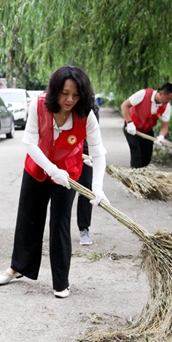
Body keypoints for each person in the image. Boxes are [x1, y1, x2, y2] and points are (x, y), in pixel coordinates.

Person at [0, 66, 108, 298]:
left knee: (60, 223)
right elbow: (29, 142)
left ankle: (61, 281)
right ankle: (17, 267)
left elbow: (98, 153)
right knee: (28, 219)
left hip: (68, 173)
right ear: (55, 91)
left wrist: (97, 187)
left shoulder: (86, 115)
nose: (70, 100)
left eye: (75, 95)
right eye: (65, 93)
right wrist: (52, 170)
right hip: (37, 168)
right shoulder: (38, 105)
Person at [121, 83, 172, 168]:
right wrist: (129, 123)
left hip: (147, 130)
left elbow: (164, 126)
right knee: (136, 153)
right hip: (132, 128)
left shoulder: (166, 106)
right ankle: (134, 174)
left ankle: (142, 172)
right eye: (168, 98)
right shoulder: (143, 94)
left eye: (171, 99)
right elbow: (124, 105)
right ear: (161, 94)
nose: (169, 101)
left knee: (146, 157)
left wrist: (161, 136)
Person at [76, 101, 99, 245]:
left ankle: (84, 228)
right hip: (63, 151)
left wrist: (92, 155)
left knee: (86, 188)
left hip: (84, 152)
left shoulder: (91, 106)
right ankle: (52, 229)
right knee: (60, 190)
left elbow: (95, 136)